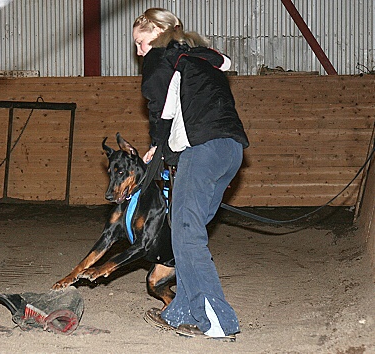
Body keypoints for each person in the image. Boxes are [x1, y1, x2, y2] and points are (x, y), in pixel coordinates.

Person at [132, 8, 249, 340]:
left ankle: (217, 320)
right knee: (187, 231)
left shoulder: (160, 56)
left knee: (185, 231)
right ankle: (183, 310)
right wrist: (164, 149)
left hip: (204, 148)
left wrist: (157, 146)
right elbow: (176, 107)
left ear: (156, 32)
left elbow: (158, 105)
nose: (140, 52)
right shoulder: (196, 60)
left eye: (140, 43)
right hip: (230, 151)